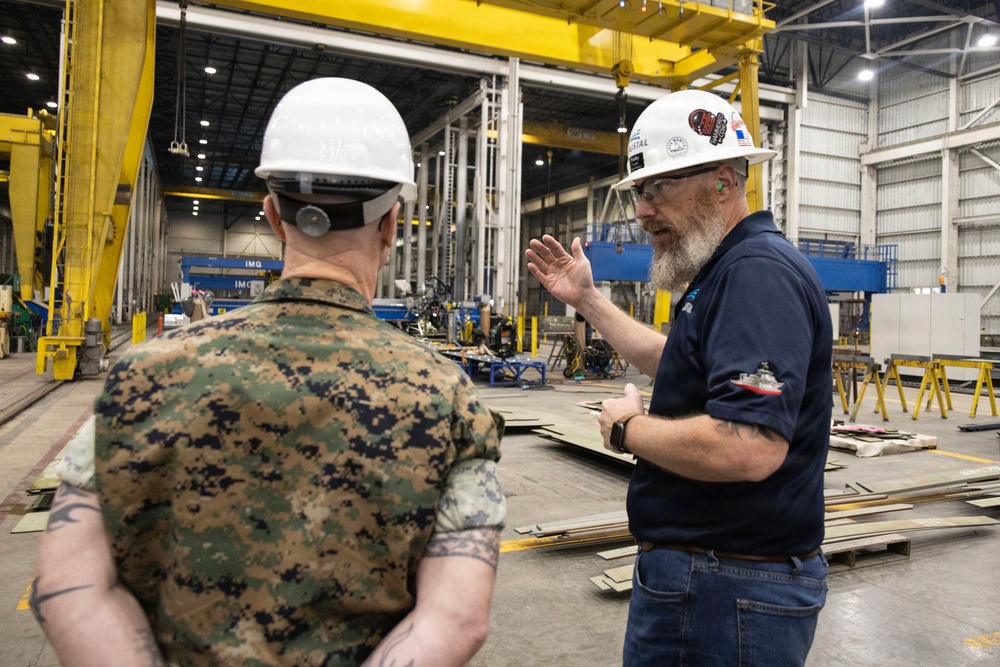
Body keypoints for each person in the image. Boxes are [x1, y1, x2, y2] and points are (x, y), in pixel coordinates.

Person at [32, 77, 506, 666]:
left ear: (273, 216)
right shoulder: (448, 397)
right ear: (391, 225)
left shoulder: (140, 377)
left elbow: (67, 590)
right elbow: (457, 621)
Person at [526, 88, 832, 666]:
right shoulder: (727, 268)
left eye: (658, 188)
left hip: (728, 585)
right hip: (718, 579)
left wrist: (627, 431)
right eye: (640, 192)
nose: (642, 211)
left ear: (722, 181)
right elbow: (680, 367)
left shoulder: (755, 273)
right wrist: (588, 300)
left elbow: (749, 447)